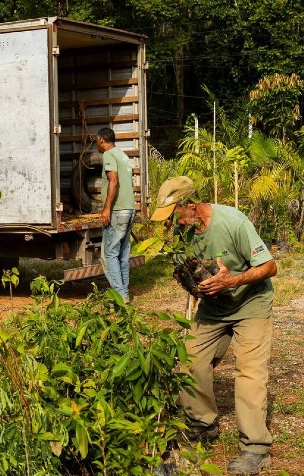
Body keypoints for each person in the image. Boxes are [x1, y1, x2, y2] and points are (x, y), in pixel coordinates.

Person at [151, 176, 277, 475]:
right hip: (214, 308)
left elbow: (270, 266)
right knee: (189, 361)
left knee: (249, 372)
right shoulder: (182, 236)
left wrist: (232, 280)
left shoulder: (232, 221)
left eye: (174, 217)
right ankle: (201, 425)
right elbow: (195, 279)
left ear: (191, 206)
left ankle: (255, 448)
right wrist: (192, 283)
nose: (171, 226)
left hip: (252, 304)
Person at [95, 127, 136, 303]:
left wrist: (106, 208)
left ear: (101, 140)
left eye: (96, 140)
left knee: (109, 254)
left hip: (118, 211)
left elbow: (114, 180)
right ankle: (124, 292)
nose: (96, 144)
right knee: (123, 254)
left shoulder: (108, 155)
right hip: (130, 209)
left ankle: (120, 296)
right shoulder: (123, 155)